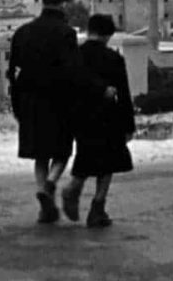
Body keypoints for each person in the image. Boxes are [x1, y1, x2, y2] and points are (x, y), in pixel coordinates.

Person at [7, 0, 113, 224]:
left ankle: (44, 200)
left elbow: (13, 72)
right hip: (58, 101)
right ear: (63, 4)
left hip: (30, 101)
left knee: (39, 154)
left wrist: (17, 103)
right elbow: (75, 70)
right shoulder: (65, 33)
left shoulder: (23, 32)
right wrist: (99, 89)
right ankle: (51, 184)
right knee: (61, 151)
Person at [61, 15, 135, 228]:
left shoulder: (75, 56)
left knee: (86, 156)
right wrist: (128, 126)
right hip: (108, 117)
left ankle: (73, 187)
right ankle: (97, 207)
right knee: (108, 162)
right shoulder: (113, 58)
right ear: (107, 35)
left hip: (81, 116)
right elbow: (124, 95)